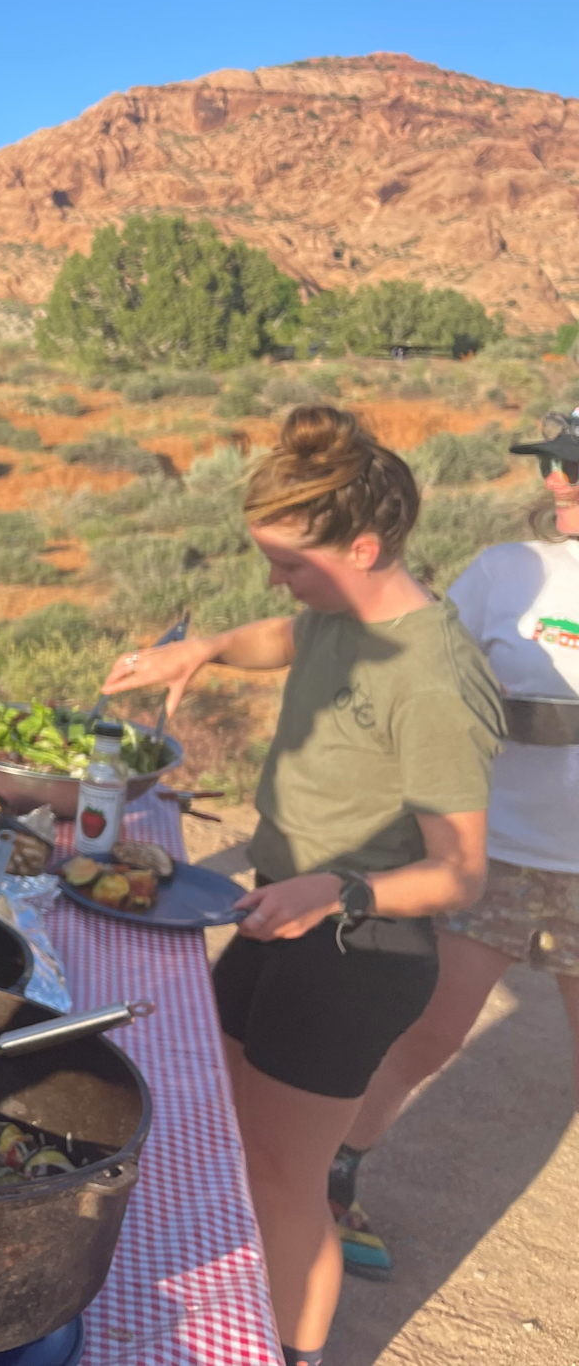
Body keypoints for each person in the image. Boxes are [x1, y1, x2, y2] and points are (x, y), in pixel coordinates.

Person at [102, 405, 501, 1366]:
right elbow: (282, 636)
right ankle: (248, 1317)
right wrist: (203, 649)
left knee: (288, 1182)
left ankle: (292, 1351)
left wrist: (340, 893)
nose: (277, 581)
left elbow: (460, 873)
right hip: (282, 911)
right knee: (239, 1148)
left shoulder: (435, 681)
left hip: (357, 948)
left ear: (363, 547)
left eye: (290, 562)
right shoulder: (338, 611)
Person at [325, 408, 579, 1280]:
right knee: (430, 1034)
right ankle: (333, 1174)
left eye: (573, 465)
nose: (555, 480)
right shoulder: (510, 571)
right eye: (551, 464)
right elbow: (429, 669)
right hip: (497, 851)